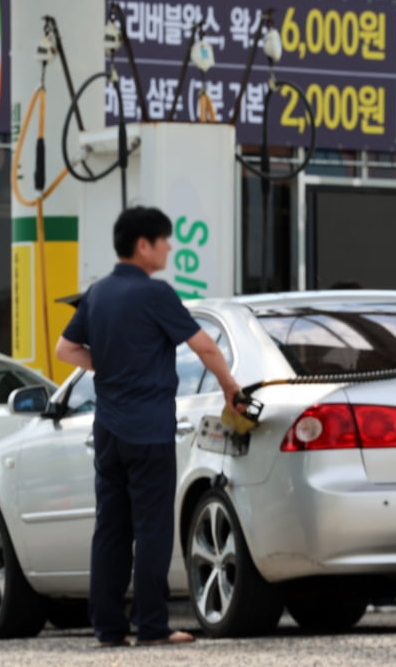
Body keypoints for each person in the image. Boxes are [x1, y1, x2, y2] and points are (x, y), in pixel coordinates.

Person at [55, 205, 245, 648]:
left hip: (107, 431)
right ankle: (153, 626)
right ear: (144, 245)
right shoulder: (155, 294)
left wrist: (105, 364)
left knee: (112, 528)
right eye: (165, 240)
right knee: (153, 527)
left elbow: (66, 349)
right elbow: (206, 348)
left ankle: (107, 627)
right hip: (149, 429)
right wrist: (231, 389)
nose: (169, 248)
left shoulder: (97, 293)